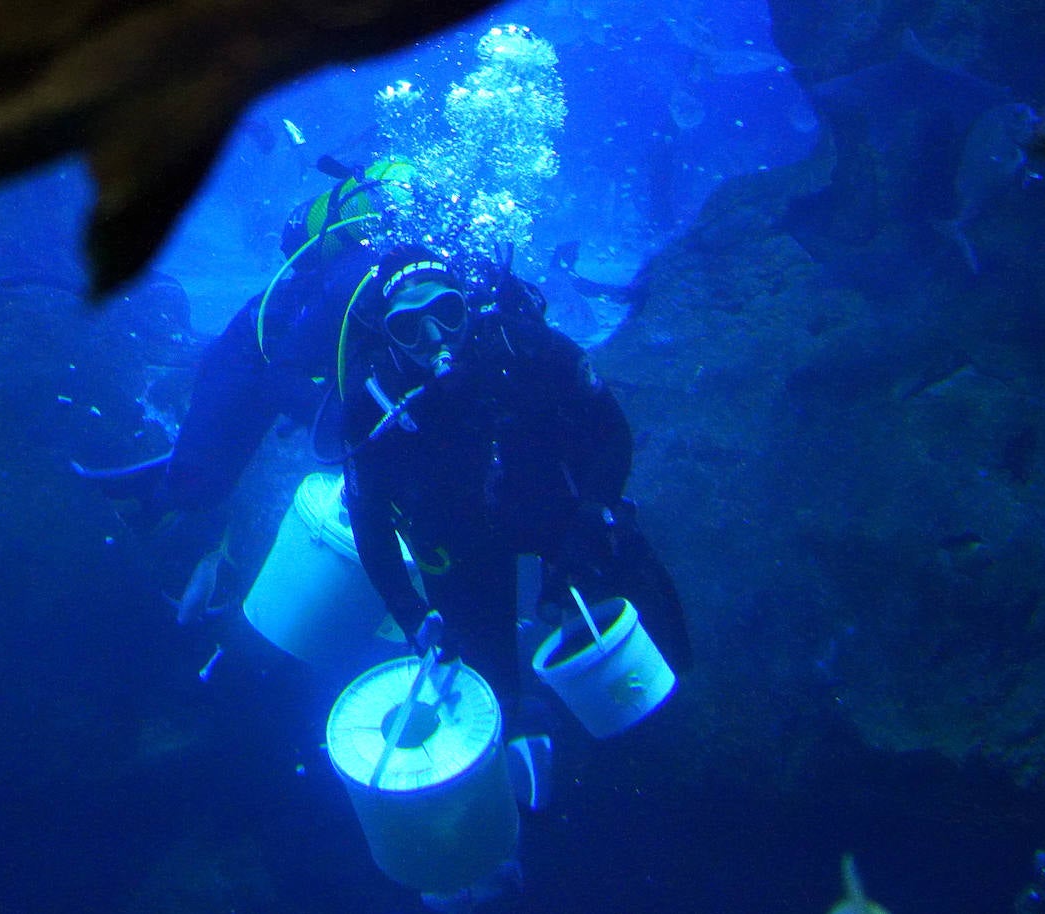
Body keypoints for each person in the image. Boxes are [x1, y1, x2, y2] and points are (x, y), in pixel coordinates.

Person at [339, 245, 695, 759]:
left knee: (647, 629)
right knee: (489, 699)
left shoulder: (523, 346)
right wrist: (413, 615)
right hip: (458, 547)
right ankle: (527, 757)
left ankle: (673, 712)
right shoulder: (375, 403)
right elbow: (368, 522)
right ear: (388, 336)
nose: (435, 338)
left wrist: (596, 513)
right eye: (410, 327)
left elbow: (611, 430)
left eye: (446, 313)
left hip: (556, 513)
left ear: (468, 302)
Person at [74, 158, 413, 520]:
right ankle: (142, 508)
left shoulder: (395, 275)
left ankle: (167, 489)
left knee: (211, 478)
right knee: (197, 483)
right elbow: (282, 376)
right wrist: (340, 420)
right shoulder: (361, 280)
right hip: (254, 344)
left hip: (290, 347)